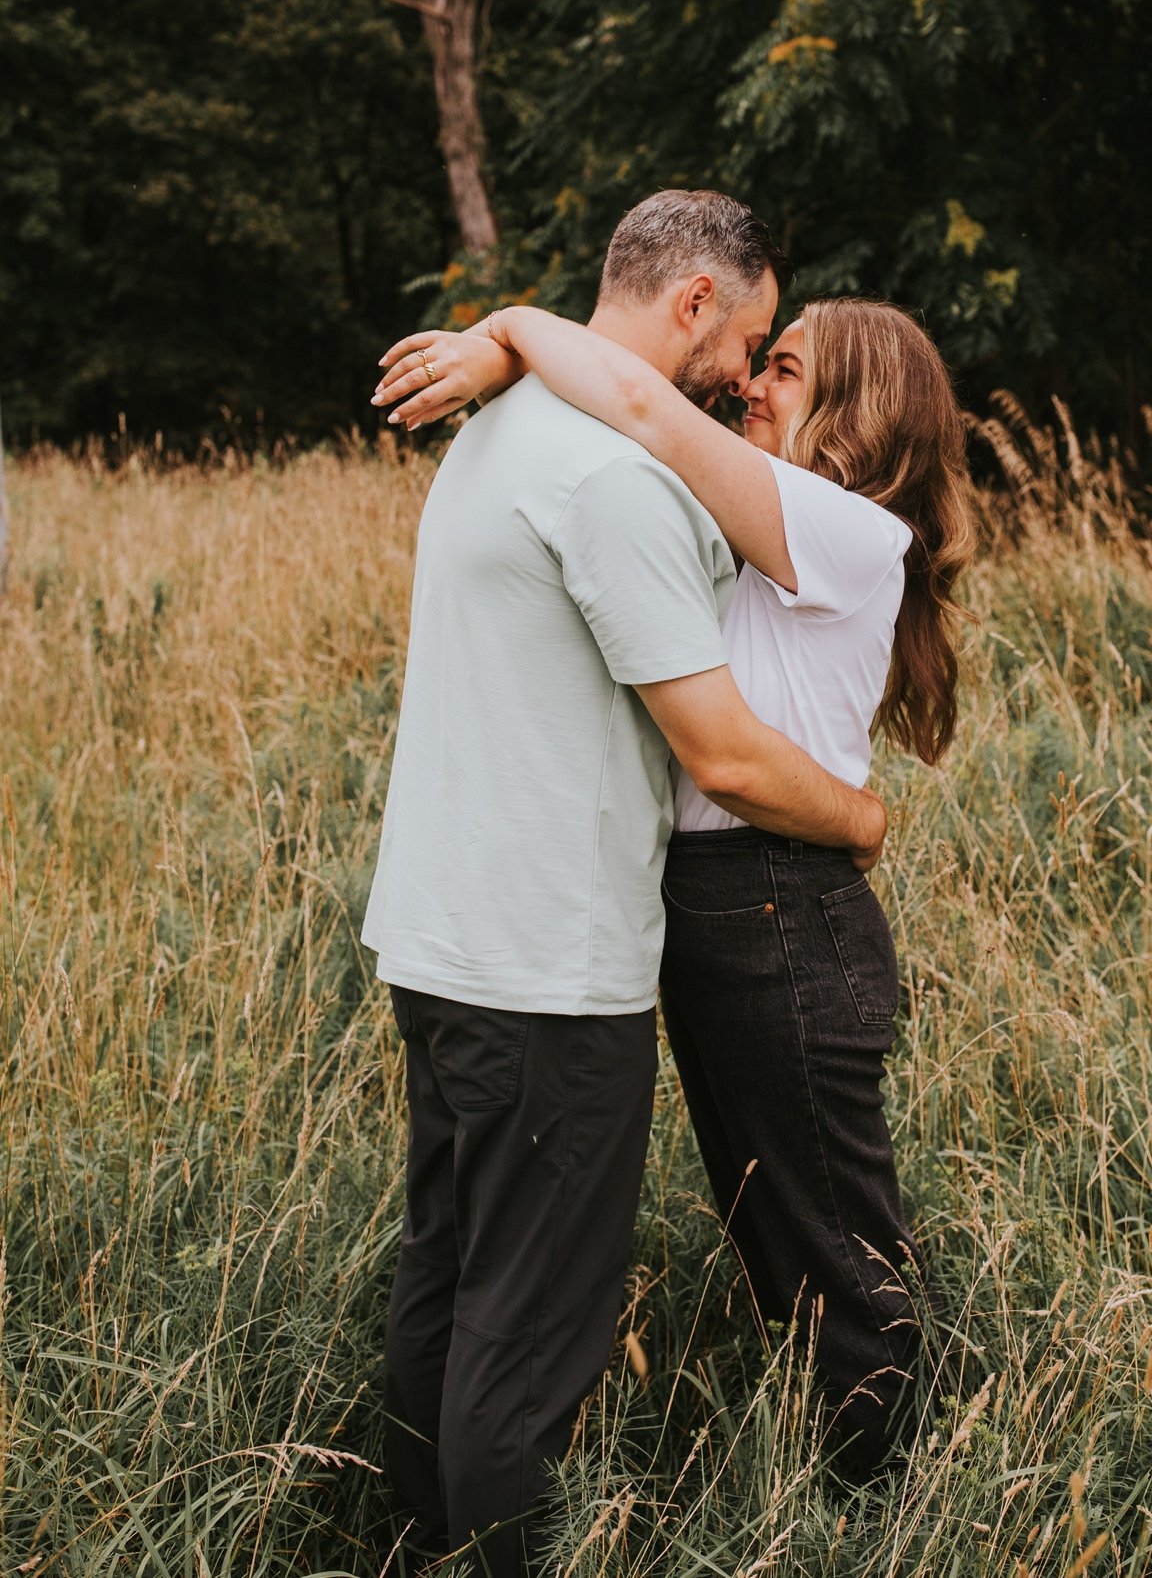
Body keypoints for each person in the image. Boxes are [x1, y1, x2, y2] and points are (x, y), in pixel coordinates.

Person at [362, 191, 887, 1577]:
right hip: (543, 964)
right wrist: (861, 817)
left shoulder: (504, 430)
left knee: (450, 1274)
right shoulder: (611, 479)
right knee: (532, 1331)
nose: (743, 375)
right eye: (751, 337)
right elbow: (719, 747)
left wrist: (510, 339)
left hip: (440, 936)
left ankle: (410, 1545)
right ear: (697, 303)